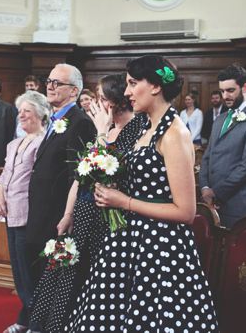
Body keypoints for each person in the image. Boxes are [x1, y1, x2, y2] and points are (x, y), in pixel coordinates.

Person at [67, 55, 218, 332]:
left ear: (156, 87)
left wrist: (123, 201)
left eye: (133, 83)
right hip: (130, 239)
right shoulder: (146, 128)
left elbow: (186, 212)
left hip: (161, 249)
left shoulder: (174, 134)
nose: (126, 92)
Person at [30, 73, 146, 332]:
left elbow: (106, 178)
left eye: (102, 99)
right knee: (63, 276)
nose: (94, 104)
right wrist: (68, 213)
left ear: (118, 102)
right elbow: (81, 176)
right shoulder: (105, 130)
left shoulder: (135, 132)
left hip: (106, 221)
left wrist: (102, 132)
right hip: (81, 213)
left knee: (89, 283)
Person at [27, 64, 97, 331]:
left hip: (56, 219)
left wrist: (68, 218)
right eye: (49, 81)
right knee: (39, 283)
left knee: (54, 288)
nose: (50, 86)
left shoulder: (80, 123)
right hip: (41, 215)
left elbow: (76, 177)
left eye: (58, 83)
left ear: (75, 91)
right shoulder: (55, 118)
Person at [0, 91, 51, 333]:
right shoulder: (14, 144)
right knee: (18, 274)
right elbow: (5, 175)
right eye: (20, 111)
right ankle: (26, 318)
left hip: (29, 217)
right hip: (10, 214)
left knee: (30, 274)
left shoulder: (44, 142)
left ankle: (37, 325)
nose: (22, 115)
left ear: (42, 113)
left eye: (27, 110)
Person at [199, 65, 246, 228]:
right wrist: (204, 188)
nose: (225, 96)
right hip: (209, 205)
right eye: (222, 91)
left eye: (230, 90)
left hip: (237, 205)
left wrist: (215, 192)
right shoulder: (220, 119)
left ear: (244, 87)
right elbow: (207, 156)